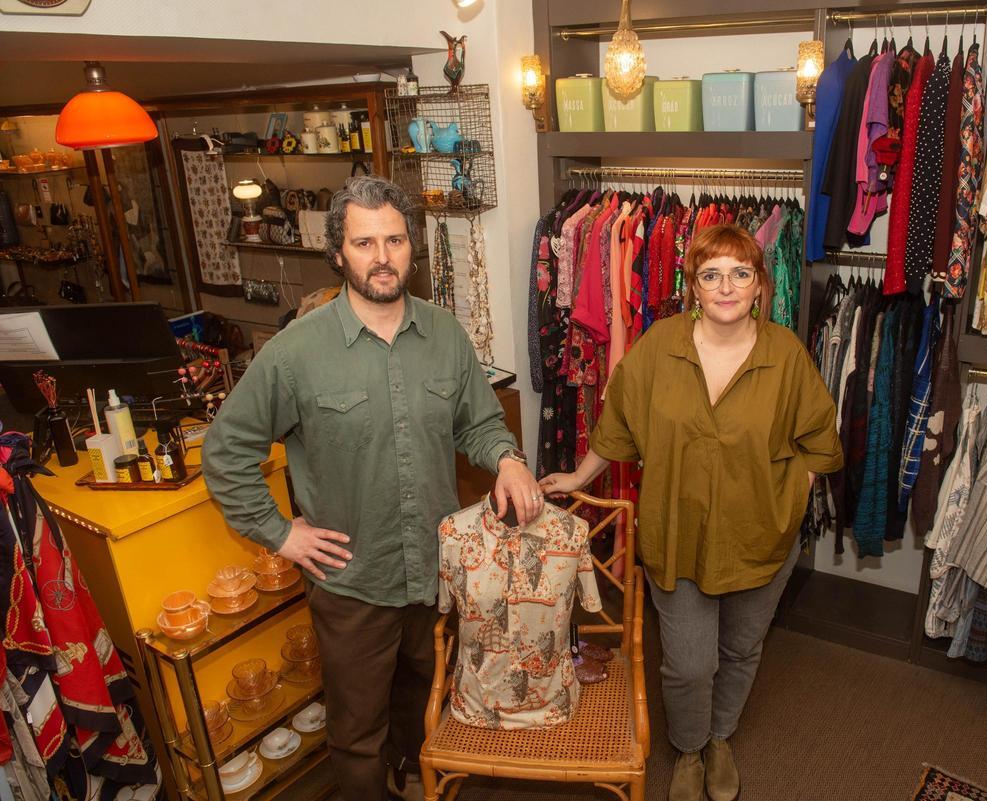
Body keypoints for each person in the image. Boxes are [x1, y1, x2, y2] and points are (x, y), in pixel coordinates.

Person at [203, 175, 543, 801]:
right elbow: (225, 451)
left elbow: (480, 421)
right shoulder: (294, 353)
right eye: (364, 242)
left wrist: (509, 461)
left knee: (433, 705)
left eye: (394, 240)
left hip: (437, 569)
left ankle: (421, 784)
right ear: (339, 254)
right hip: (354, 582)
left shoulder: (445, 334)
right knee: (358, 733)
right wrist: (281, 532)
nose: (382, 257)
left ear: (412, 248)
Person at [541, 224, 843, 801]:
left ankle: (719, 738)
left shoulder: (786, 355)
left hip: (762, 536)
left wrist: (793, 491)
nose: (726, 286)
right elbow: (621, 419)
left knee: (741, 649)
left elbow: (819, 438)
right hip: (678, 534)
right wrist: (581, 475)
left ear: (759, 286)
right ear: (693, 288)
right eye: (711, 274)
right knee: (686, 665)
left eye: (740, 273)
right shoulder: (660, 347)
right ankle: (688, 745)